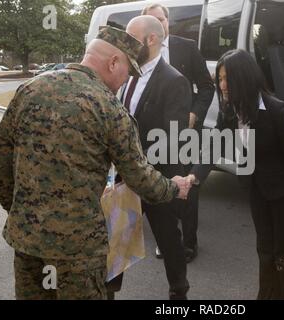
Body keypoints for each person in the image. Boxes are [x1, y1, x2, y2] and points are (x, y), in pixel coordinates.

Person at [0, 26, 191, 300]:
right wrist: (173, 187)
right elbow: (138, 176)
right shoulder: (108, 108)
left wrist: (21, 213)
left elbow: (2, 162)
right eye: (127, 71)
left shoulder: (30, 89)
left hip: (28, 241)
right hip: (78, 251)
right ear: (113, 62)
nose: (125, 80)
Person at [188, 49, 284, 300]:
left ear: (243, 78)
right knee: (264, 250)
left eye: (226, 79)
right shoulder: (231, 110)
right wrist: (194, 176)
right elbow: (213, 145)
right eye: (219, 79)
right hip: (257, 190)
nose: (222, 85)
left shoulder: (276, 110)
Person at [110, 16, 192, 300]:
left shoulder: (174, 81)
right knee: (117, 237)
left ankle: (178, 293)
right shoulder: (126, 74)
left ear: (152, 40)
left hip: (158, 177)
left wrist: (152, 175)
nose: (127, 44)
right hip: (125, 177)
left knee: (169, 240)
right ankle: (109, 290)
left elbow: (174, 137)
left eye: (133, 38)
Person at [142, 3, 215, 263]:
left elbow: (207, 87)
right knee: (159, 187)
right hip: (151, 136)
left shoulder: (186, 47)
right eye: (152, 21)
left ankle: (189, 244)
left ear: (168, 22)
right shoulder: (138, 51)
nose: (158, 24)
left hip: (185, 131)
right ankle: (166, 240)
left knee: (187, 187)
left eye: (161, 19)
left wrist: (195, 113)